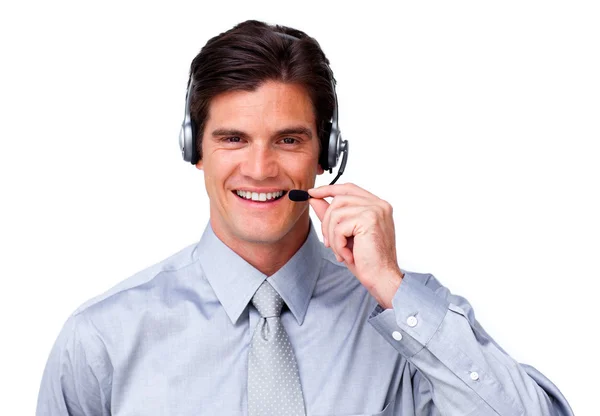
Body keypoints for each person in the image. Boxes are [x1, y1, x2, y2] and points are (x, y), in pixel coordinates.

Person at [36, 20, 573, 416]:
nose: (261, 168)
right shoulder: (102, 338)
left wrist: (391, 285)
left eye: (288, 140)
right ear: (193, 149)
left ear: (327, 154)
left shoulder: (406, 327)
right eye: (233, 139)